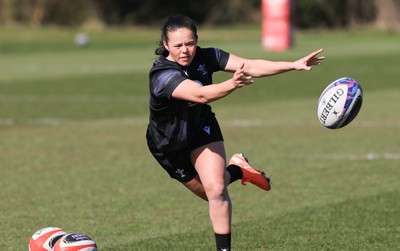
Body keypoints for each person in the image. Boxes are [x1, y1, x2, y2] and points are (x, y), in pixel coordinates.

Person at [146, 15, 324, 251]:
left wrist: (293, 64)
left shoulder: (207, 56)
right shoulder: (162, 74)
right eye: (178, 45)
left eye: (190, 43)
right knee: (209, 194)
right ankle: (239, 169)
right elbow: (200, 95)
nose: (185, 51)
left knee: (217, 190)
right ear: (165, 45)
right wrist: (231, 84)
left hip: (201, 129)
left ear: (197, 41)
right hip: (168, 146)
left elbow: (250, 66)